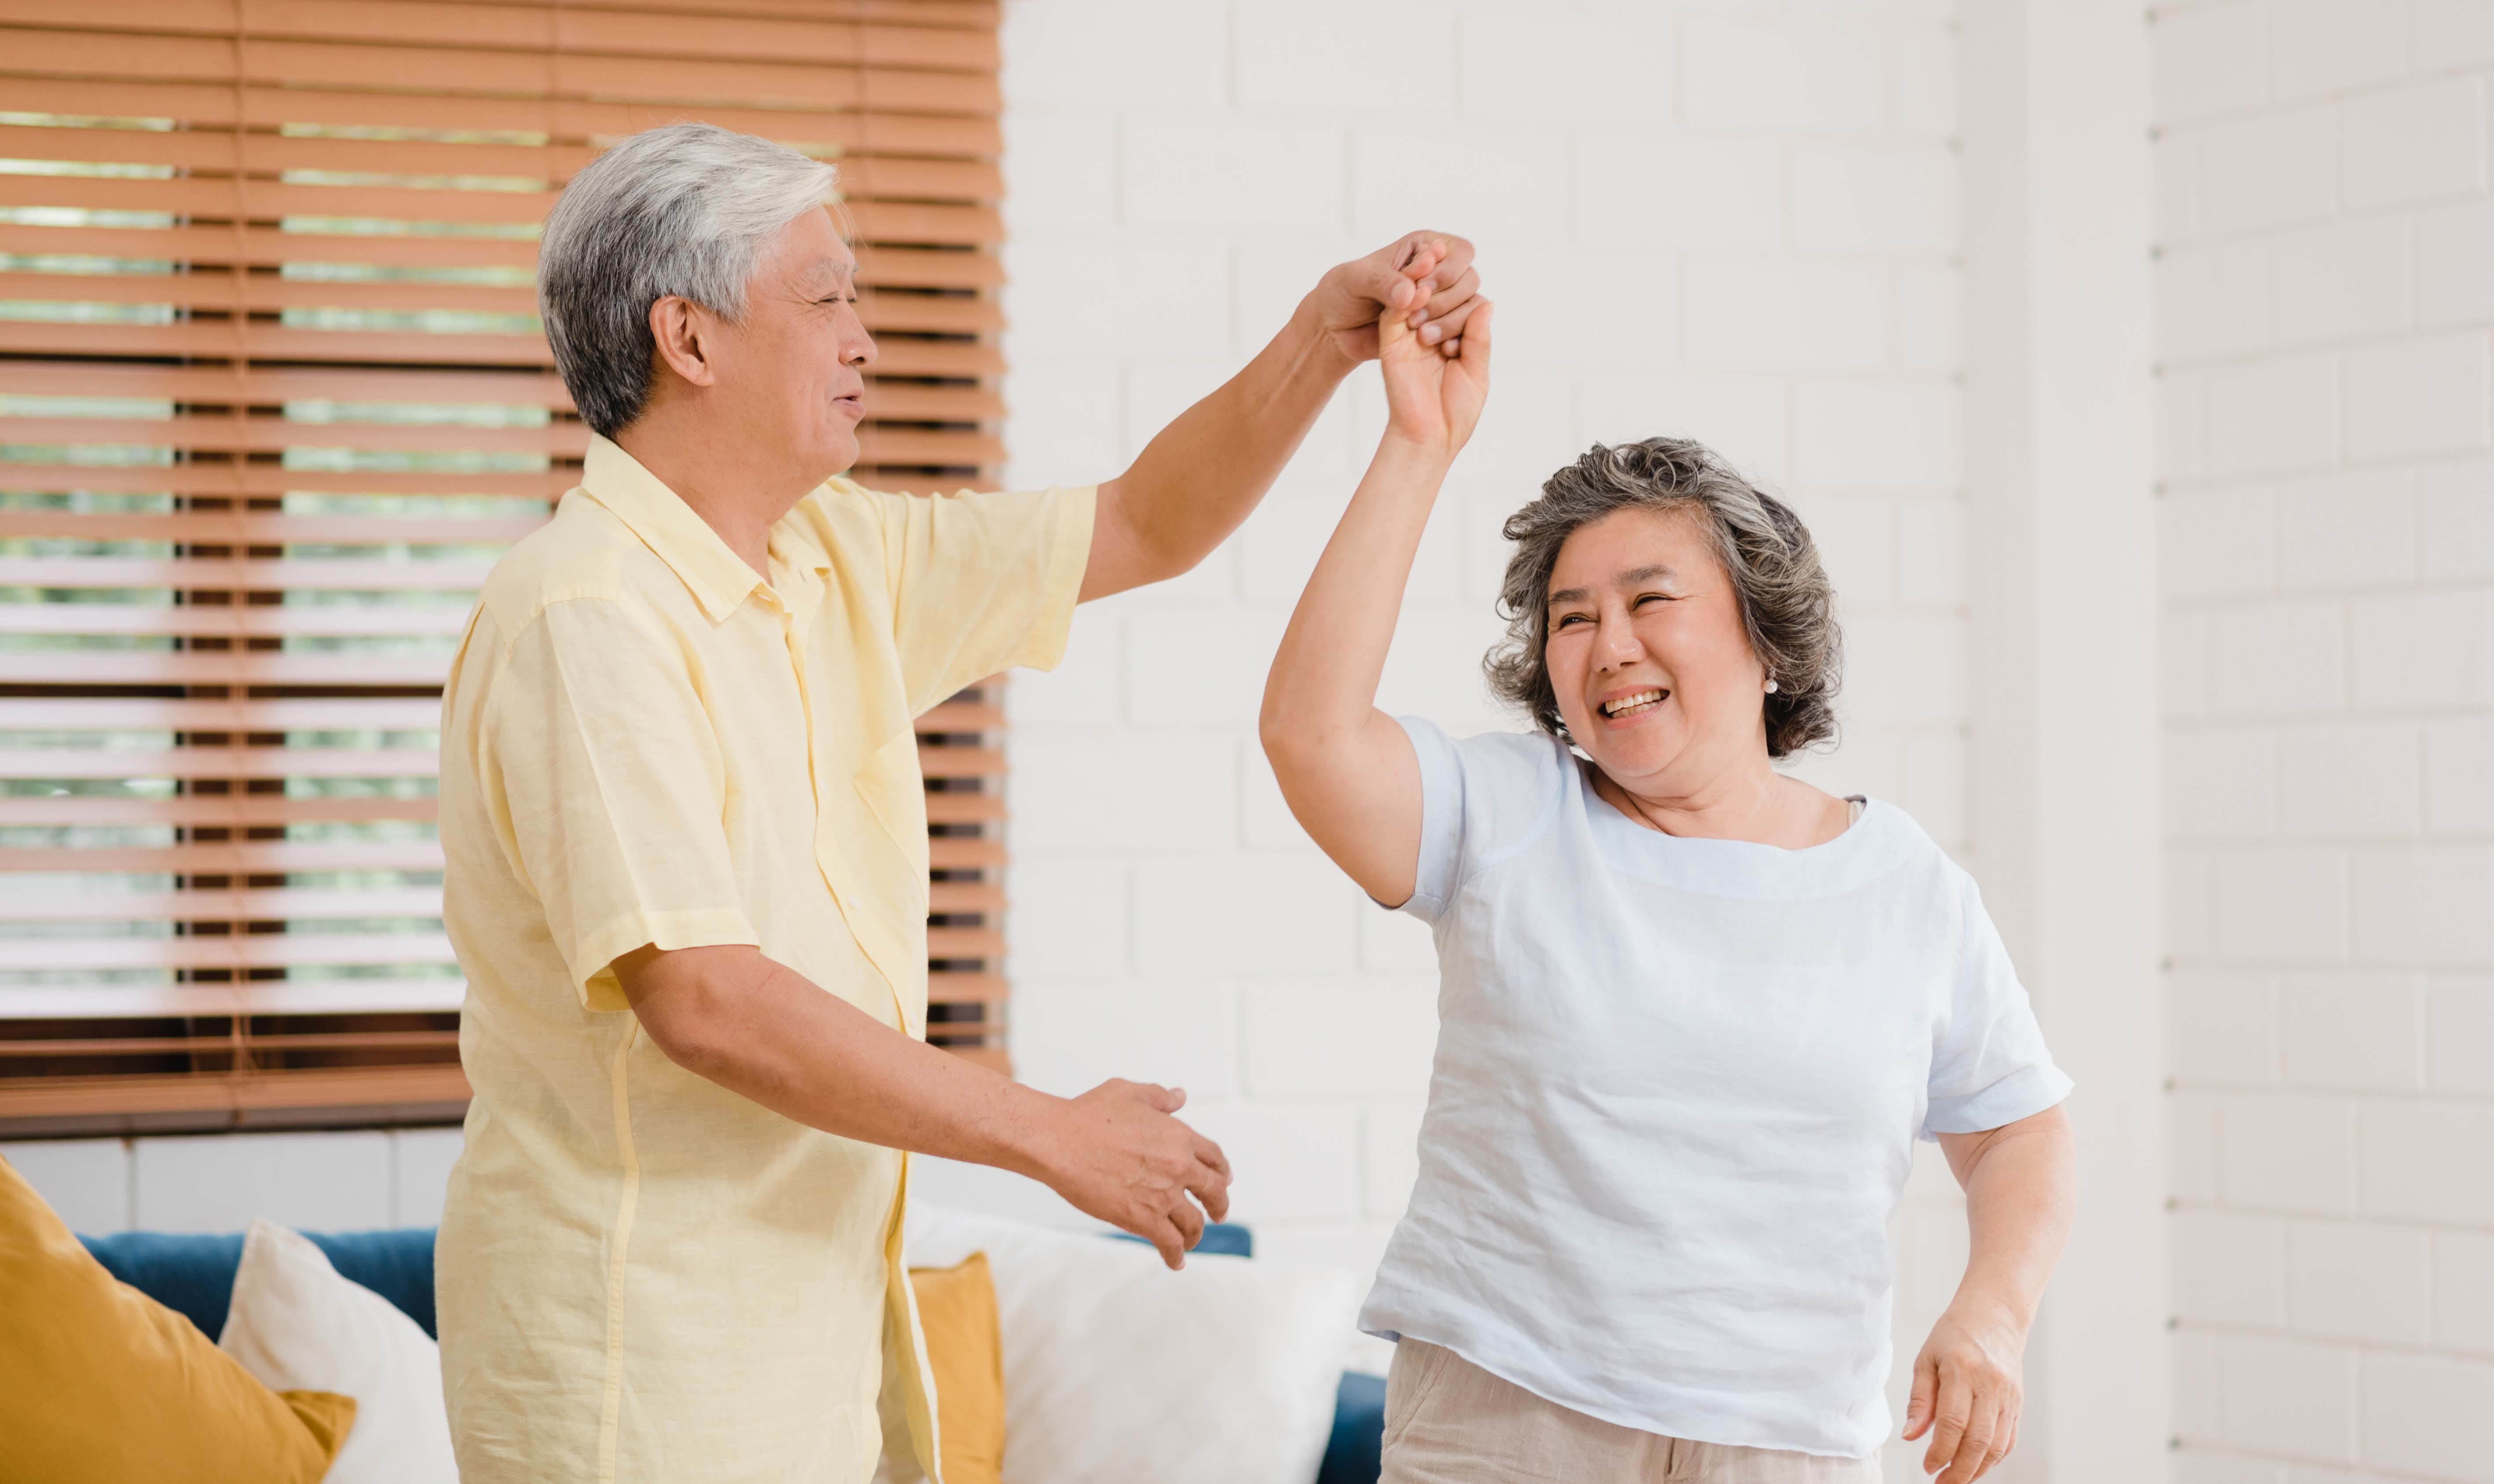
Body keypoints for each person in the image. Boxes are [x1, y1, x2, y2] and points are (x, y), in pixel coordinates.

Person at [434, 121, 1486, 1484]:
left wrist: (1323, 343)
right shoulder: (585, 615)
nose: (863, 335)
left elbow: (1146, 523)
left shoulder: (832, 554)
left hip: (810, 1358)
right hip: (639, 1369)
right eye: (825, 297)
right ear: (688, 340)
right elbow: (704, 997)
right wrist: (1050, 1131)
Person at [1258, 293, 2076, 1484]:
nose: (1607, 645)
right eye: (1571, 618)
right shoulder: (1510, 813)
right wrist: (1417, 444)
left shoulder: (1908, 888)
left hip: (1789, 1439)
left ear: (1763, 634)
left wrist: (1992, 1313)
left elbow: (2021, 1131)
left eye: (1649, 601)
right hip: (1510, 1417)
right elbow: (1311, 734)